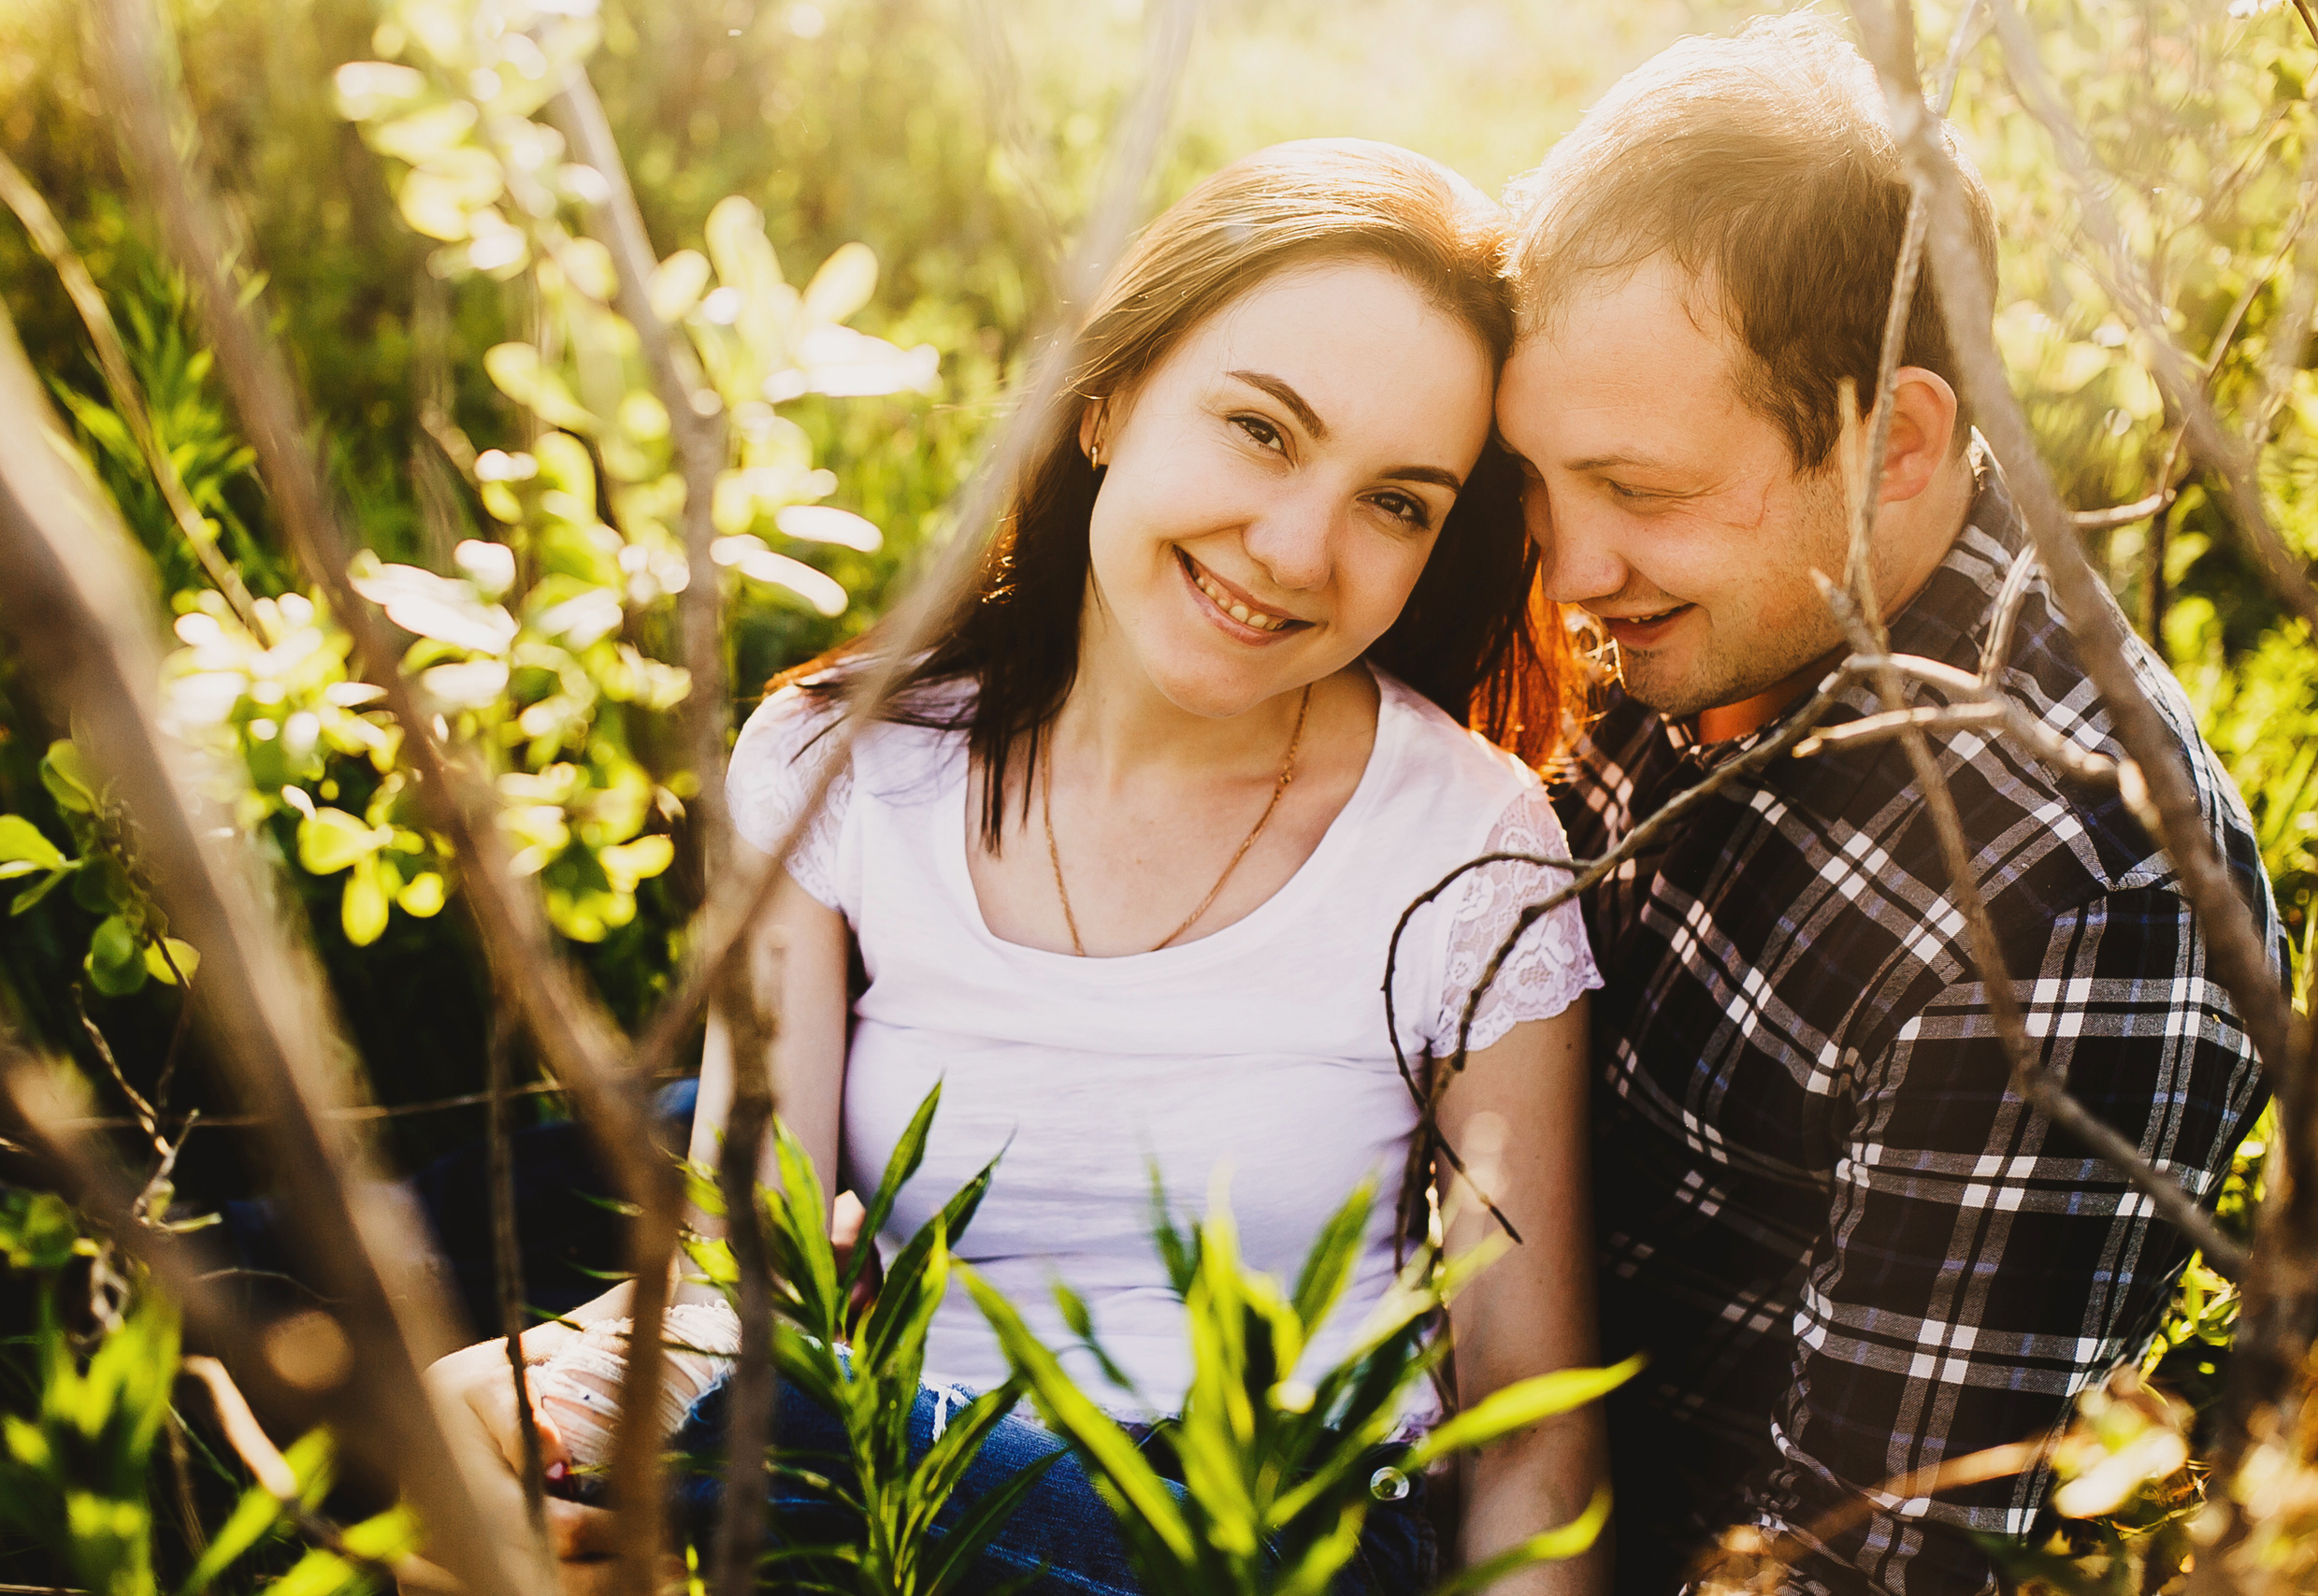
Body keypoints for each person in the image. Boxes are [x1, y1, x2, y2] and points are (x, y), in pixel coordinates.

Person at [432, 138, 1607, 1594]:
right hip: (882, 1497)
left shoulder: (1467, 843)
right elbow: (745, 1271)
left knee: (719, 1428)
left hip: (1270, 1531)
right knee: (482, 1414)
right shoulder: (846, 765)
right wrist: (550, 1428)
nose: (1299, 549)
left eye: (1397, 503)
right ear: (1107, 400)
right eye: (1260, 430)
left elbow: (1529, 1437)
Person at [1496, 18, 2280, 1595]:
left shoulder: (2072, 904)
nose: (1567, 572)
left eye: (1641, 492)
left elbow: (1862, 1565)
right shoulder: (1704, 602)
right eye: (1536, 479)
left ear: (1900, 442)